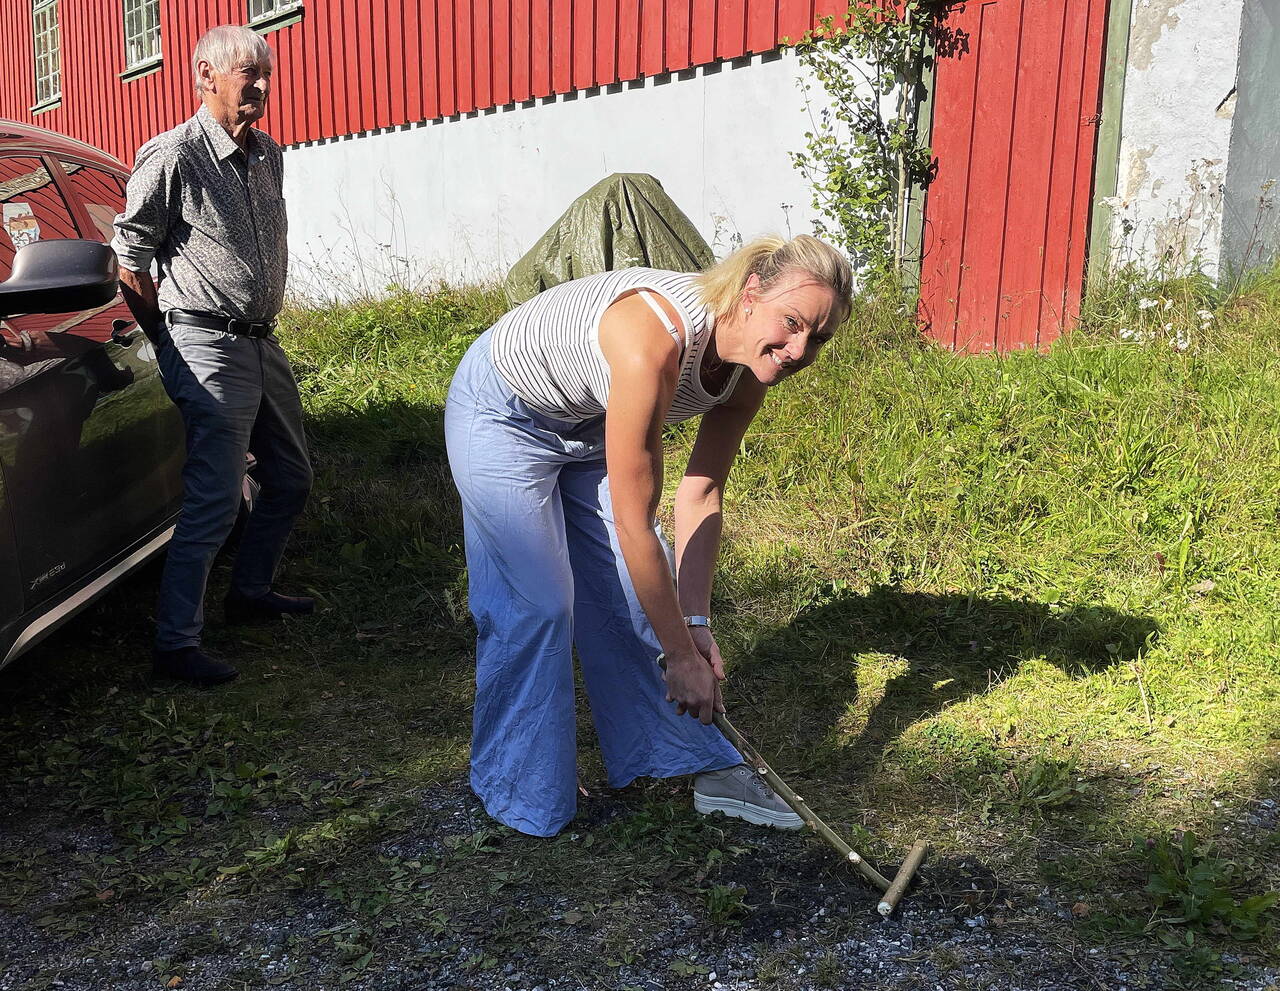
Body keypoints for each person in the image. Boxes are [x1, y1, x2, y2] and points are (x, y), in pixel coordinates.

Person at [444, 235, 853, 837]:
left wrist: (693, 625)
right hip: (503, 410)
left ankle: (692, 761)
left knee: (640, 597)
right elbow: (636, 519)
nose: (798, 350)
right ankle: (516, 785)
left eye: (817, 338)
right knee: (537, 604)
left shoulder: (749, 371)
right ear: (749, 292)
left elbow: (702, 491)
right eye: (792, 323)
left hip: (590, 420)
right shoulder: (652, 337)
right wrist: (682, 658)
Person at [112, 25, 314, 687]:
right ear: (205, 76)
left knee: (289, 477)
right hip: (203, 341)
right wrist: (169, 343)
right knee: (215, 499)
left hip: (260, 339)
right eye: (245, 72)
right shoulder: (172, 155)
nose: (257, 85)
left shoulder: (268, 154)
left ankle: (250, 592)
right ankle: (176, 644)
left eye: (264, 73)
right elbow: (130, 260)